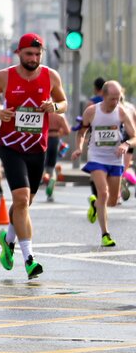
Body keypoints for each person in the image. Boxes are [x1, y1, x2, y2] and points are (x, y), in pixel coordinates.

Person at [0, 33, 68, 279]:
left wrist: (55, 107)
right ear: (19, 53)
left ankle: (7, 240)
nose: (34, 58)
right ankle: (29, 258)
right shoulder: (4, 76)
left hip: (37, 148)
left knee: (25, 204)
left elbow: (64, 102)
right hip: (11, 146)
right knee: (20, 200)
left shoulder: (51, 76)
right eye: (29, 54)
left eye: (38, 54)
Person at [72, 81, 135, 247]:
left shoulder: (122, 112)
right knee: (104, 193)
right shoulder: (92, 112)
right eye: (112, 99)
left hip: (115, 159)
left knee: (113, 201)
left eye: (118, 98)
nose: (115, 102)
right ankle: (105, 234)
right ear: (104, 96)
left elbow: (134, 136)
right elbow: (81, 132)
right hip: (96, 157)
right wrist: (79, 148)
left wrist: (126, 144)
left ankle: (95, 204)